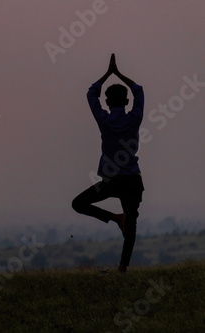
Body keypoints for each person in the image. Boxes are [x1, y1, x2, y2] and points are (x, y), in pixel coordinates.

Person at [72, 53, 145, 273]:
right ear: (126, 102)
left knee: (78, 204)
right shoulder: (134, 118)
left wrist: (108, 72)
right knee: (131, 223)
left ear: (106, 102)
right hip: (132, 179)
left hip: (111, 179)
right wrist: (119, 73)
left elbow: (91, 93)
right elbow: (139, 90)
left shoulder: (103, 119)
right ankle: (123, 267)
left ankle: (115, 218)